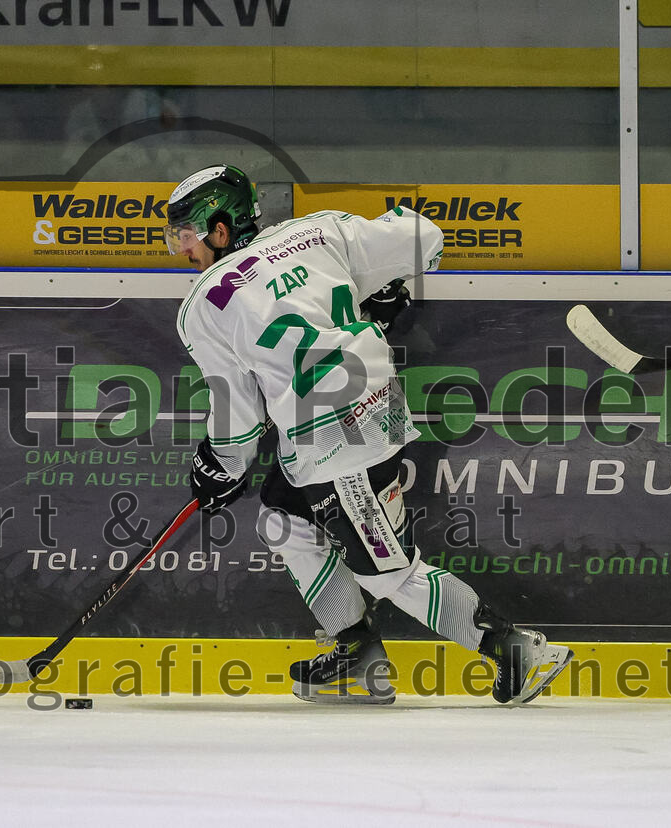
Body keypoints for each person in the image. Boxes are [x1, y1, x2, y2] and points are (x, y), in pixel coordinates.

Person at [164, 164, 573, 705]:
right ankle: (357, 653)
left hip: (335, 439)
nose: (182, 251)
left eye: (185, 236)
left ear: (220, 229)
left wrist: (220, 466)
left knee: (388, 573)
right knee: (283, 522)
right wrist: (379, 289)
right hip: (368, 415)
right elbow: (425, 236)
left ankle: (512, 648)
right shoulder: (317, 231)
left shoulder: (204, 304)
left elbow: (236, 413)